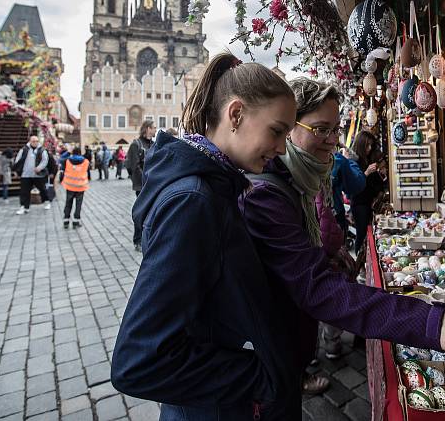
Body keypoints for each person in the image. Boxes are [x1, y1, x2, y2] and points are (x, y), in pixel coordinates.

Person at [240, 78, 445, 402]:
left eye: (335, 129)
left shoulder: (301, 183)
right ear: (288, 127)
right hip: (267, 365)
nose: (332, 141)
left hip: (284, 353)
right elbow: (317, 290)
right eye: (320, 129)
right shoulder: (266, 194)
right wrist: (431, 322)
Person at [111, 53, 298, 420]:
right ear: (236, 114)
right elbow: (139, 359)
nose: (281, 149)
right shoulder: (193, 201)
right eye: (277, 131)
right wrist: (260, 378)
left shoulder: (214, 184)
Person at [350, 130, 386, 257]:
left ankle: (365, 261)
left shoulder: (369, 159)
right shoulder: (353, 162)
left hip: (369, 203)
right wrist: (366, 173)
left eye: (371, 145)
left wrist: (381, 175)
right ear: (361, 145)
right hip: (360, 204)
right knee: (361, 233)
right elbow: (353, 186)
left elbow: (375, 183)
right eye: (367, 145)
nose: (369, 148)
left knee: (368, 233)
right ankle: (359, 265)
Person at [125, 120, 156, 252]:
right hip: (142, 185)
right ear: (148, 128)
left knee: (152, 212)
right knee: (142, 212)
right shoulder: (135, 144)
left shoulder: (154, 144)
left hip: (153, 184)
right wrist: (145, 181)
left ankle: (149, 238)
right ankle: (138, 239)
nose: (155, 130)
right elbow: (133, 166)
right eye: (154, 127)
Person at [14, 135, 52, 214]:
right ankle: (24, 207)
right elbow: (18, 160)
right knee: (24, 191)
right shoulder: (24, 149)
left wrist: (39, 167)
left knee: (42, 189)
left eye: (36, 141)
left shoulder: (42, 150)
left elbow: (45, 160)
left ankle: (47, 201)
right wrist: (17, 170)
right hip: (26, 174)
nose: (35, 143)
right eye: (33, 141)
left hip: (38, 174)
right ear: (30, 141)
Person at [61, 146, 89, 228]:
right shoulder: (85, 161)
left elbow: (60, 159)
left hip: (69, 186)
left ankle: (66, 220)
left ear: (72, 152)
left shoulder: (67, 161)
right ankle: (76, 221)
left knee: (68, 203)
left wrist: (68, 152)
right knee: (78, 204)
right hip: (80, 186)